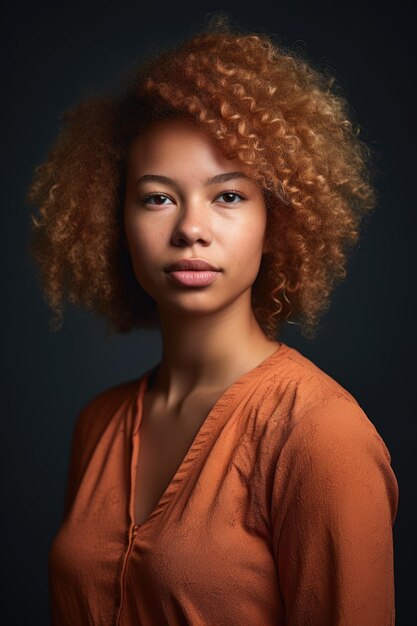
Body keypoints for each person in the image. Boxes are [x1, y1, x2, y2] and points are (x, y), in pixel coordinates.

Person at [27, 14, 399, 626]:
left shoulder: (319, 435)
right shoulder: (96, 426)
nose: (190, 229)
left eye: (228, 195)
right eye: (158, 197)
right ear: (111, 218)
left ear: (274, 220)